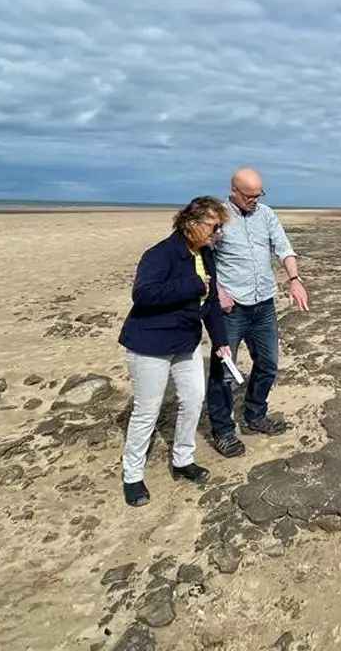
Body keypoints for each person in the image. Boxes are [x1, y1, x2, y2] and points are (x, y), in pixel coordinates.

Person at [117, 196, 231, 506]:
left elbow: (211, 307)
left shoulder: (206, 255)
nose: (217, 234)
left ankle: (183, 460)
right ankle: (133, 476)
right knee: (147, 410)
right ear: (190, 224)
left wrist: (220, 341)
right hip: (150, 344)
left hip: (186, 341)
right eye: (214, 226)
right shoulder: (161, 254)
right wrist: (194, 285)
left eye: (220, 228)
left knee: (194, 399)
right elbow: (143, 294)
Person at [205, 167, 309, 457]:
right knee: (223, 374)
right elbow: (202, 257)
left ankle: (255, 414)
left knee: (268, 364)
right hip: (231, 309)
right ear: (233, 191)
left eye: (258, 194)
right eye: (249, 195)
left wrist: (295, 280)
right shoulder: (217, 217)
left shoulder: (266, 214)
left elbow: (284, 248)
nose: (255, 199)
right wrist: (218, 292)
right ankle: (224, 432)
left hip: (264, 304)